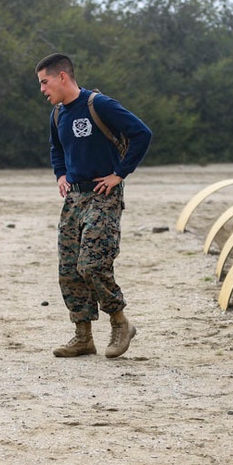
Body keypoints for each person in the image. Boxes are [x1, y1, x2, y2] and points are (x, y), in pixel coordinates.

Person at [35, 53, 153, 358]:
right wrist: (60, 174)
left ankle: (120, 323)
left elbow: (142, 134)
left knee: (93, 264)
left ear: (62, 77)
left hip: (103, 196)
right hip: (74, 199)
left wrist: (119, 174)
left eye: (44, 82)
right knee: (69, 268)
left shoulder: (98, 105)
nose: (42, 89)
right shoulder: (58, 114)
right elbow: (56, 148)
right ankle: (83, 336)